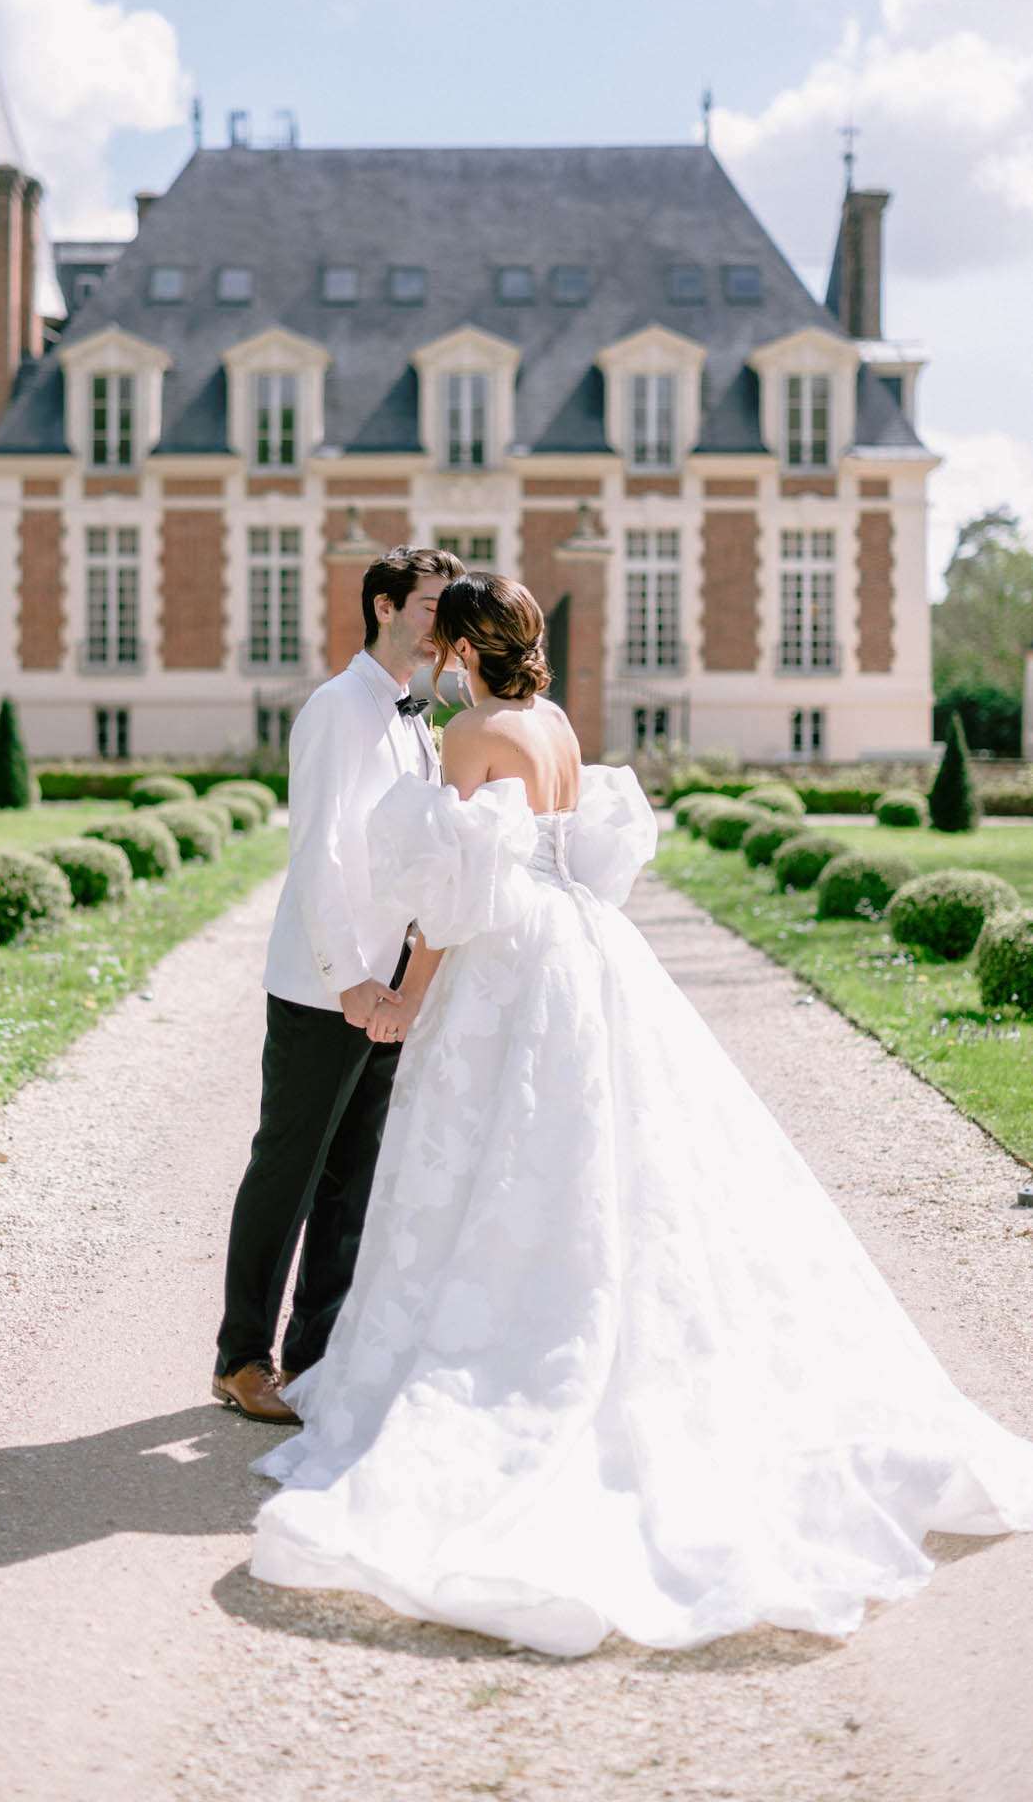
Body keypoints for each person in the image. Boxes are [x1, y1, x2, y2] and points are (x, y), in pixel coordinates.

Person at [248, 571, 1033, 1655]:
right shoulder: (559, 723)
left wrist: (406, 997)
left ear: (463, 649)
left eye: (446, 638)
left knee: (491, 1152)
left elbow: (455, 898)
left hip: (508, 960)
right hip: (588, 946)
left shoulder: (474, 733)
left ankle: (510, 1351)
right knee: (598, 1148)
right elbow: (570, 852)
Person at [211, 544, 464, 1424]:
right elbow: (314, 852)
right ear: (388, 604)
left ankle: (315, 1356)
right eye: (436, 604)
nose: (447, 620)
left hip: (390, 982)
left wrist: (404, 976)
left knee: (354, 1178)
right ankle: (242, 1357)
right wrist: (350, 979)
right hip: (329, 986)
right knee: (288, 1167)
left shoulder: (416, 717)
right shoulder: (335, 709)